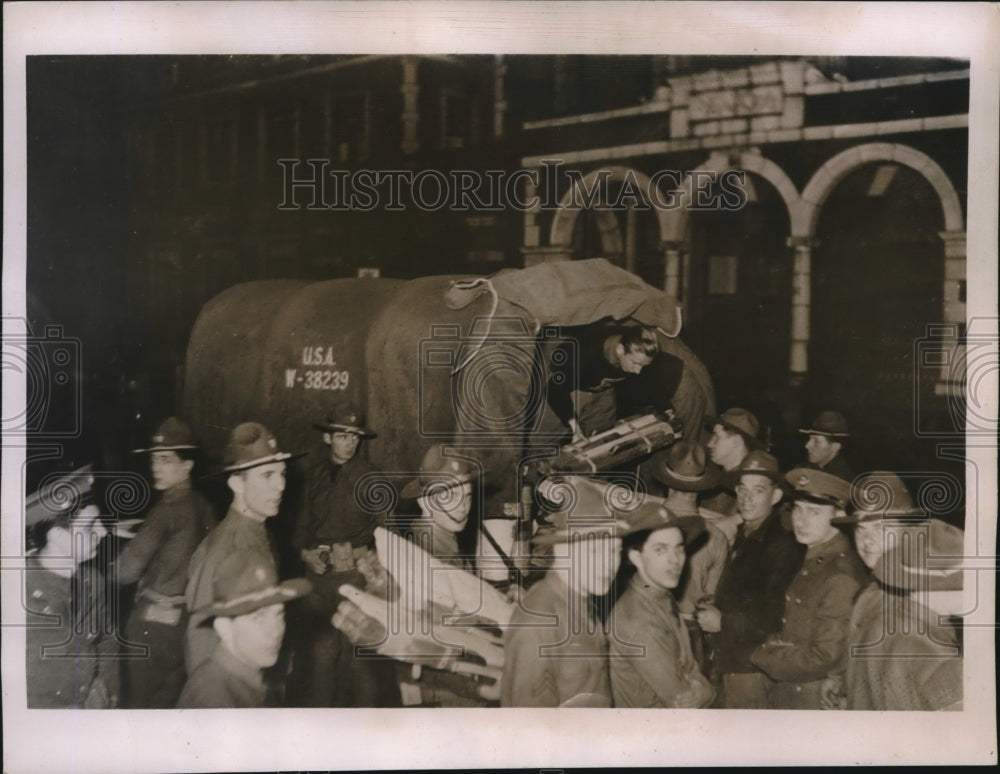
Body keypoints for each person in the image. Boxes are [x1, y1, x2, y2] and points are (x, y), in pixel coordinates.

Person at [821, 472, 963, 711]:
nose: (868, 541)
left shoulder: (923, 596)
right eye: (861, 530)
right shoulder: (870, 592)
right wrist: (844, 684)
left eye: (881, 528)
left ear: (907, 532)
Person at [289, 402, 389, 707]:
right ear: (328, 438)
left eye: (355, 436)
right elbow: (300, 529)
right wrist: (305, 554)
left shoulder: (370, 478)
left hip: (356, 579)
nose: (350, 442)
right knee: (318, 662)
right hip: (319, 582)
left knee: (357, 664)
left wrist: (376, 569)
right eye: (343, 435)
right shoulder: (313, 475)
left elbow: (389, 531)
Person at [185, 422, 303, 673]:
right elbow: (201, 637)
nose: (281, 485)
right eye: (267, 475)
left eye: (281, 473)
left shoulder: (261, 531)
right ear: (237, 484)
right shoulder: (226, 548)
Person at [116, 417, 217, 708]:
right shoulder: (203, 505)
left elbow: (126, 571)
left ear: (187, 465)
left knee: (138, 708)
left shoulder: (165, 511)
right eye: (154, 459)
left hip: (151, 627)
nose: (155, 467)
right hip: (185, 623)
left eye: (165, 459)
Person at [501, 478, 629, 707]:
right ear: (562, 550)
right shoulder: (539, 623)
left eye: (615, 550)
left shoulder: (581, 600)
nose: (609, 563)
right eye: (595, 549)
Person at [750, 468, 868, 709]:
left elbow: (824, 656)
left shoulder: (840, 574)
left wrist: (759, 654)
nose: (800, 520)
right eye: (797, 509)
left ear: (839, 515)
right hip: (795, 689)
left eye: (813, 512)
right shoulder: (813, 557)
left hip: (811, 697)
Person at [694, 450, 804, 709]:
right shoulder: (749, 533)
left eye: (757, 491)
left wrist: (723, 621)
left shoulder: (782, 545)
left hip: (751, 669)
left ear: (775, 496)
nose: (746, 499)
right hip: (733, 660)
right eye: (742, 489)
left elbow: (777, 616)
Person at [609, 502, 715, 708]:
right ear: (636, 557)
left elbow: (690, 667)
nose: (675, 560)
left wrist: (704, 690)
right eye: (661, 550)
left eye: (679, 549)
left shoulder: (659, 596)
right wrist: (708, 691)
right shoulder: (638, 622)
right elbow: (683, 700)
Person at [645, 440, 733, 672]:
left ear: (667, 483)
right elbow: (710, 598)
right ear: (700, 489)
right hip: (691, 637)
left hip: (646, 631)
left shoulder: (641, 527)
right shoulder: (716, 537)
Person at [177, 557, 310, 708]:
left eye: (279, 614)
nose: (276, 632)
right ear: (224, 629)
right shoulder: (213, 697)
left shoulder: (249, 675)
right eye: (258, 618)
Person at [25, 501, 120, 708]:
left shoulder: (93, 580)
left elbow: (107, 641)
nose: (103, 532)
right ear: (57, 536)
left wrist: (110, 694)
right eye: (91, 525)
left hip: (92, 699)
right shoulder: (17, 590)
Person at [547, 322, 662, 441]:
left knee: (602, 435)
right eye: (635, 363)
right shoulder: (582, 359)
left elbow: (650, 377)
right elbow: (554, 389)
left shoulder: (633, 343)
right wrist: (575, 427)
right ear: (620, 349)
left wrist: (666, 408)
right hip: (568, 383)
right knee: (554, 431)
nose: (638, 371)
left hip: (602, 385)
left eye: (643, 365)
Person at [701, 407, 768, 516]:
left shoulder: (748, 486)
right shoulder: (716, 476)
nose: (710, 444)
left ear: (737, 442)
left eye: (717, 437)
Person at [799, 410, 854, 482]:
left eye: (816, 441)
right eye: (809, 439)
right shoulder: (806, 467)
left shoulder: (840, 480)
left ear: (835, 447)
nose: (807, 445)